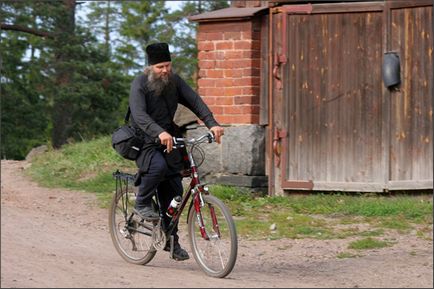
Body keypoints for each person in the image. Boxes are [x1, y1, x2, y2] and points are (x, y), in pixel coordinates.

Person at [128, 42, 224, 261]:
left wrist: (212, 123)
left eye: (168, 65)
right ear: (150, 67)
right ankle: (141, 201)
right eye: (160, 67)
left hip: (169, 139)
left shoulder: (174, 81)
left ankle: (172, 242)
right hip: (144, 140)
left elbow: (195, 101)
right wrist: (158, 132)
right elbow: (139, 114)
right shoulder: (140, 84)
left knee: (174, 192)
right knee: (158, 167)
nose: (165, 71)